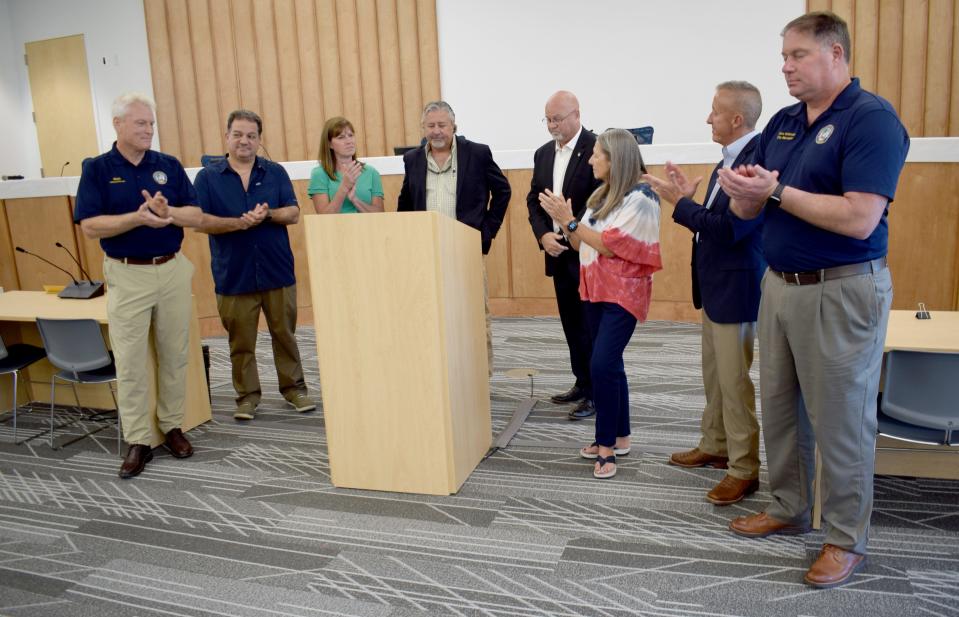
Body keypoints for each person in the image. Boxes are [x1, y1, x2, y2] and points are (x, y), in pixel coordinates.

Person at [717, 11, 909, 588]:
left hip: (842, 287)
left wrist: (774, 191)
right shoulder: (782, 122)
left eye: (798, 55)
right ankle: (788, 506)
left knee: (842, 421)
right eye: (784, 56)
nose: (786, 66)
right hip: (779, 285)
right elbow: (755, 206)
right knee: (778, 408)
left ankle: (846, 538)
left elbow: (859, 217)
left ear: (836, 54)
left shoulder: (871, 120)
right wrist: (745, 196)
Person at [643, 81, 764, 506]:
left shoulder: (753, 162)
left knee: (734, 383)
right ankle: (715, 443)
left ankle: (745, 468)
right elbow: (714, 219)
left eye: (714, 112)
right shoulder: (725, 162)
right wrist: (690, 200)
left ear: (736, 118)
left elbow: (732, 230)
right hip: (716, 286)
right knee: (715, 377)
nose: (707, 118)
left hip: (737, 287)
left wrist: (682, 205)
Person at [74, 92, 203, 479]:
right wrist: (138, 217)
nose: (148, 130)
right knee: (130, 361)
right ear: (117, 125)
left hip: (172, 269)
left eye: (151, 123)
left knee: (174, 353)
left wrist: (168, 213)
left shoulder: (168, 165)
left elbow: (194, 214)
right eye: (140, 123)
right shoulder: (97, 169)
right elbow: (90, 226)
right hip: (127, 274)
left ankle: (172, 426)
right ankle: (138, 440)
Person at [540, 129, 662, 480]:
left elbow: (610, 245)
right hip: (594, 290)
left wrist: (570, 220)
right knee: (610, 366)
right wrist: (567, 222)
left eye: (596, 154)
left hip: (623, 293)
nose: (590, 159)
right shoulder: (601, 195)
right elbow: (580, 246)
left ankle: (605, 445)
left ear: (615, 159)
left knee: (602, 364)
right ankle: (621, 436)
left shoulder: (642, 196)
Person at [194, 109, 314, 421]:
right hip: (234, 274)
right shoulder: (208, 178)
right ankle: (247, 397)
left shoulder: (275, 172)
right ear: (227, 137)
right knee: (241, 341)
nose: (244, 141)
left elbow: (293, 213)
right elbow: (200, 221)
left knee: (285, 335)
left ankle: (295, 390)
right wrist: (237, 223)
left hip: (277, 271)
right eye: (238, 134)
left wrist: (267, 215)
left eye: (251, 136)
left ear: (259, 140)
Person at [397, 101, 511, 373]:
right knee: (430, 314)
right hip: (426, 252)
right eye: (431, 126)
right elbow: (405, 202)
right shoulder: (412, 159)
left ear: (453, 126)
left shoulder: (478, 154)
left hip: (466, 250)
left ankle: (479, 376)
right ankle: (437, 371)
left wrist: (487, 232)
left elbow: (503, 192)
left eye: (442, 125)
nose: (436, 131)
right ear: (423, 128)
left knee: (473, 315)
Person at [526, 91, 601, 420]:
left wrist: (573, 230)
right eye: (548, 119)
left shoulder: (598, 148)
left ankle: (598, 393)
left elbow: (601, 197)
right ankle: (582, 383)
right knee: (571, 322)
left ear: (576, 114)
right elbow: (534, 199)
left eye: (557, 118)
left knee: (592, 325)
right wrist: (543, 235)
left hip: (587, 250)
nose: (552, 125)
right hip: (555, 250)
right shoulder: (542, 154)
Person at [309, 116, 384, 214]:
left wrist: (355, 200)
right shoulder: (319, 174)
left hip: (366, 228)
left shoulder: (371, 172)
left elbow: (380, 214)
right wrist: (344, 188)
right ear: (329, 144)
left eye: (351, 135)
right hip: (335, 229)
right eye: (341, 137)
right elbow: (323, 217)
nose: (349, 141)